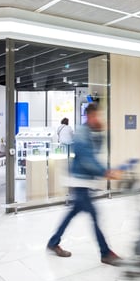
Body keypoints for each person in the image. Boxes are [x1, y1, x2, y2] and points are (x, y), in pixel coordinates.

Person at [47, 103, 123, 266]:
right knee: (95, 217)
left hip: (83, 181)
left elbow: (97, 150)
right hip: (79, 181)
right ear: (89, 115)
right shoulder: (82, 133)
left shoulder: (90, 131)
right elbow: (88, 158)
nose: (99, 119)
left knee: (71, 214)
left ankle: (53, 242)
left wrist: (102, 131)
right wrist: (105, 172)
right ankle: (105, 253)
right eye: (96, 116)